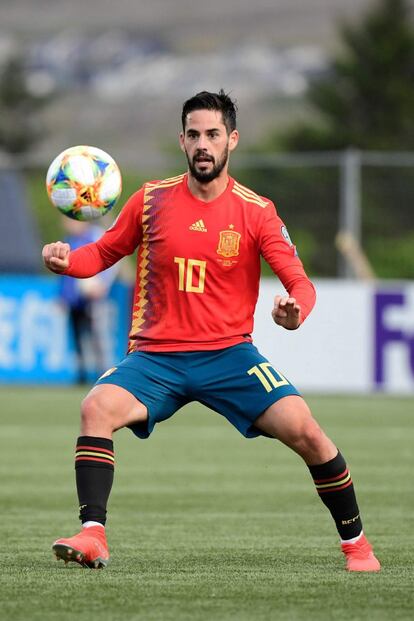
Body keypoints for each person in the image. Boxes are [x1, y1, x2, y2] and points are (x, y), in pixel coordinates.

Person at [42, 90, 380, 572]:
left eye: (213, 135)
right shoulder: (151, 199)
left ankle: (358, 547)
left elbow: (298, 282)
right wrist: (66, 261)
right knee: (95, 407)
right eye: (195, 135)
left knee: (308, 432)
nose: (203, 144)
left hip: (229, 357)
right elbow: (102, 253)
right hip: (155, 357)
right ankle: (93, 535)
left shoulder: (256, 210)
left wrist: (294, 311)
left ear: (232, 141)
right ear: (182, 140)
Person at [58, 218, 119, 384]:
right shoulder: (69, 241)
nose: (69, 225)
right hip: (75, 300)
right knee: (78, 337)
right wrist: (63, 297)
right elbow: (65, 276)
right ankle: (82, 374)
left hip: (95, 298)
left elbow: (113, 261)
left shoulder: (95, 235)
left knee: (99, 337)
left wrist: (102, 285)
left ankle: (106, 375)